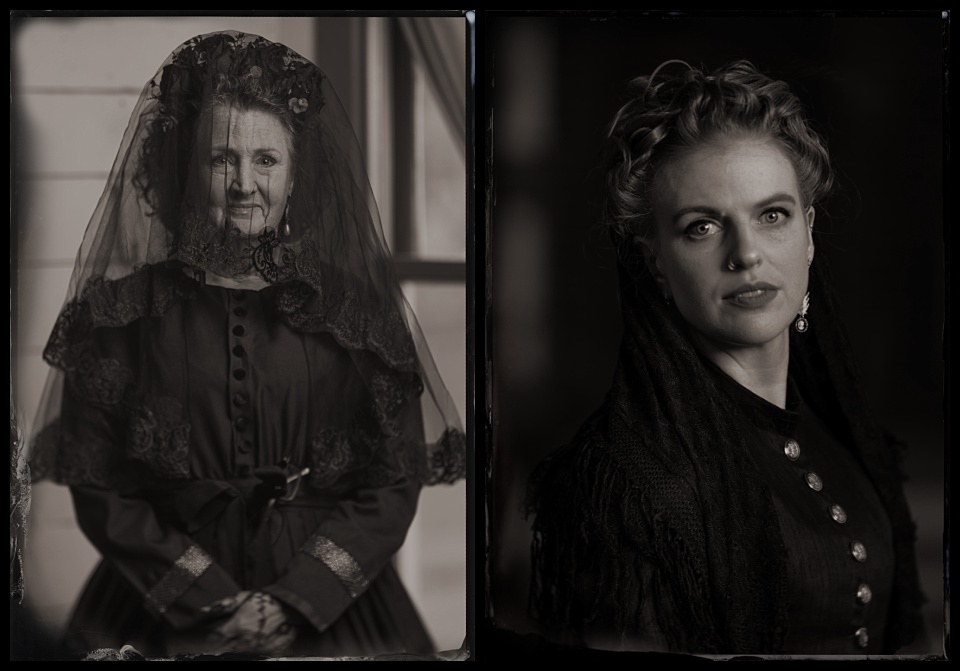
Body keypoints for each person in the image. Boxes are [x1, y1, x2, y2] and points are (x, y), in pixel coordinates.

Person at [28, 31, 465, 658]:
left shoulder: (354, 314)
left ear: (296, 175)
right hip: (165, 608)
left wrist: (296, 601)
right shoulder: (120, 319)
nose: (243, 183)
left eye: (266, 160)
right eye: (220, 159)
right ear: (186, 169)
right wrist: (205, 603)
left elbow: (391, 482)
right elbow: (101, 489)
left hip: (329, 608)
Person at [525, 60, 924, 655]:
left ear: (809, 232)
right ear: (655, 259)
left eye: (772, 216)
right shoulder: (628, 482)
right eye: (703, 227)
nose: (747, 255)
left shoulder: (838, 436)